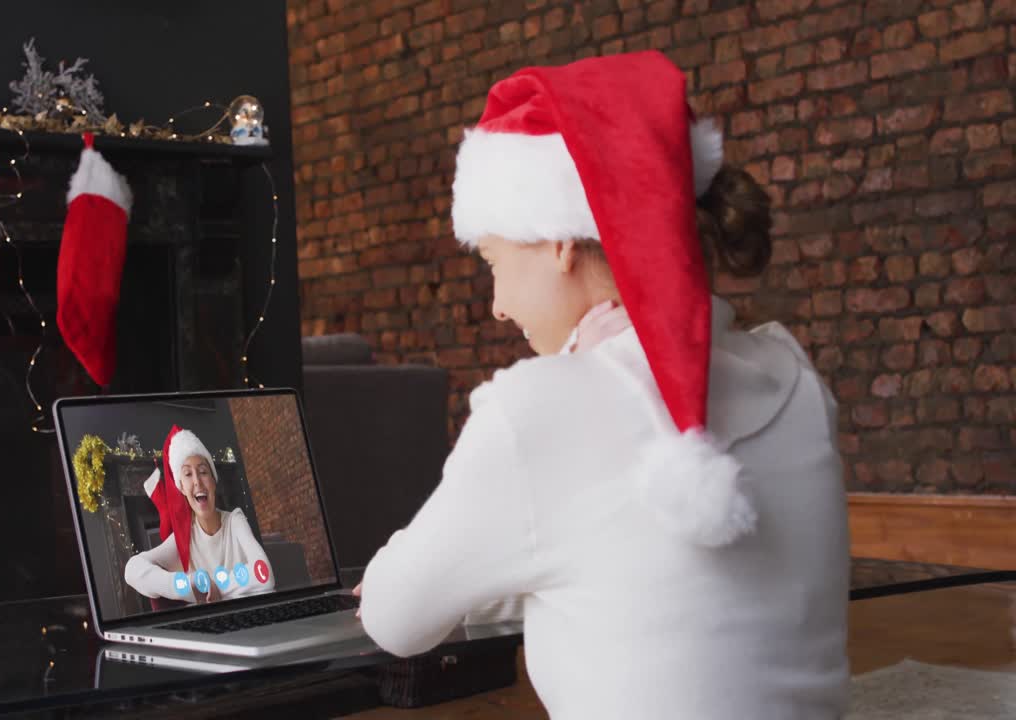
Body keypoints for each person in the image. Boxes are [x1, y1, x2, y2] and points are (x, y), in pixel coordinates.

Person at [355, 51, 849, 718]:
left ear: (558, 241)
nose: (497, 304)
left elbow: (395, 618)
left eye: (495, 261)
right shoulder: (797, 376)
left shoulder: (534, 407)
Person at [124, 429, 275, 604]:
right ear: (182, 489)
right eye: (188, 474)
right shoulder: (185, 538)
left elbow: (264, 575)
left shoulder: (235, 521)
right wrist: (188, 585)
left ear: (213, 481)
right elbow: (132, 570)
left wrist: (213, 586)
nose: (197, 481)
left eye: (203, 472)